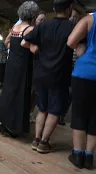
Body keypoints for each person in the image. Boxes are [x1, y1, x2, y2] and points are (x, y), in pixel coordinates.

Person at [22, 0, 74, 153]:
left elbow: (25, 41)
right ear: (69, 9)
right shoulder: (72, 26)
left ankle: (36, 139)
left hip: (41, 73)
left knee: (42, 109)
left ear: (53, 8)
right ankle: (44, 143)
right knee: (54, 111)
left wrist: (35, 49)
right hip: (59, 74)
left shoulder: (44, 24)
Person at [0, 1, 39, 137]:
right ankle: (14, 127)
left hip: (11, 64)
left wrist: (15, 49)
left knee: (8, 92)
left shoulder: (15, 28)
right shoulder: (30, 30)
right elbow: (35, 49)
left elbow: (6, 43)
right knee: (20, 94)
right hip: (23, 66)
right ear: (33, 15)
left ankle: (4, 123)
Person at [67, 12, 95, 169]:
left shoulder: (90, 19)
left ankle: (78, 154)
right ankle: (89, 156)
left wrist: (82, 44)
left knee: (79, 112)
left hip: (84, 72)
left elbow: (71, 42)